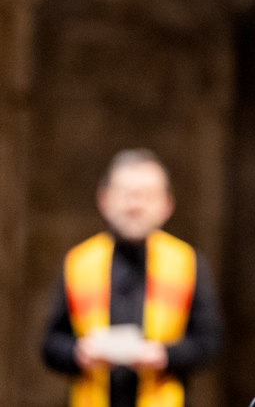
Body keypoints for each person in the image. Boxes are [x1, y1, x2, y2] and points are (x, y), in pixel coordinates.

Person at [41, 149, 223, 407]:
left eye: (147, 195)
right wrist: (78, 353)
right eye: (126, 194)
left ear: (167, 205)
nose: (135, 205)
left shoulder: (187, 263)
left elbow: (209, 342)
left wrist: (165, 355)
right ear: (104, 199)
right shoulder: (79, 262)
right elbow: (50, 344)